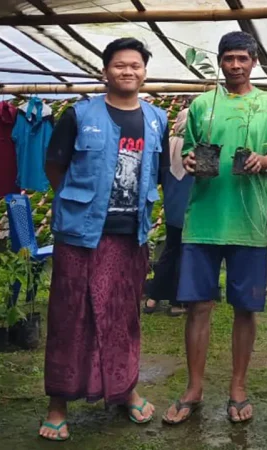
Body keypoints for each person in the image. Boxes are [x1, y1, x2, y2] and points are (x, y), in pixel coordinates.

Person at [40, 37, 169, 441]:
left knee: (123, 318)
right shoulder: (79, 115)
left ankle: (124, 390)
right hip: (80, 237)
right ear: (105, 71)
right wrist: (82, 207)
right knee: (69, 317)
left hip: (131, 236)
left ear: (144, 72)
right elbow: (54, 167)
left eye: (135, 65)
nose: (127, 71)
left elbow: (160, 172)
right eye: (119, 65)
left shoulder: (156, 119)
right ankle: (58, 404)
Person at [162, 31, 267, 425]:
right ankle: (194, 388)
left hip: (249, 221)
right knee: (198, 306)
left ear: (254, 62)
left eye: (242, 59)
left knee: (245, 309)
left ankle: (238, 386)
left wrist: (264, 162)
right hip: (203, 221)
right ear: (220, 62)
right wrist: (194, 164)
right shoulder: (202, 105)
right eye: (229, 58)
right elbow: (192, 153)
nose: (235, 65)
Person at [144, 107, 193, 317]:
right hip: (190, 206)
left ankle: (153, 298)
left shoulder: (168, 143)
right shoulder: (193, 146)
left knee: (170, 249)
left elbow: (157, 176)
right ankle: (177, 300)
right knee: (185, 251)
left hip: (171, 206)